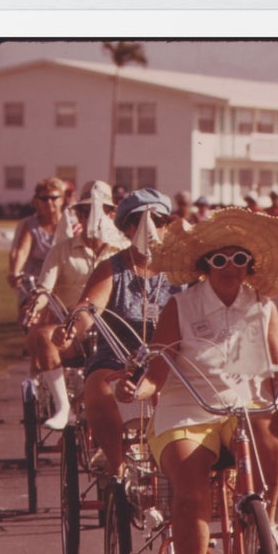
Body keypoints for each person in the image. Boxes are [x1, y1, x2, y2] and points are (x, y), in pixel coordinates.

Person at [144, 209, 278, 554]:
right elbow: (157, 371)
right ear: (205, 265)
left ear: (250, 266)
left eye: (239, 259)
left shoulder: (263, 306)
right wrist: (138, 387)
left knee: (272, 437)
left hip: (246, 408)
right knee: (192, 494)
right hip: (187, 412)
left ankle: (269, 524)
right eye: (219, 259)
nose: (229, 267)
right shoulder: (180, 306)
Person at [56, 189, 175, 475]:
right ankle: (116, 464)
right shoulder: (112, 268)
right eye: (139, 221)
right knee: (96, 387)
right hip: (119, 355)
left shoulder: (180, 271)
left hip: (171, 357)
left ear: (166, 226)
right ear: (127, 228)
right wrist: (72, 329)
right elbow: (88, 307)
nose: (151, 229)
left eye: (158, 221)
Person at [22, 180, 126, 430]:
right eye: (86, 211)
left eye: (99, 211)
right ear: (78, 214)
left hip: (115, 333)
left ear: (111, 214)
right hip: (73, 331)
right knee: (42, 337)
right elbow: (45, 287)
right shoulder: (62, 249)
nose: (92, 217)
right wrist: (35, 306)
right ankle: (63, 407)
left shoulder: (123, 248)